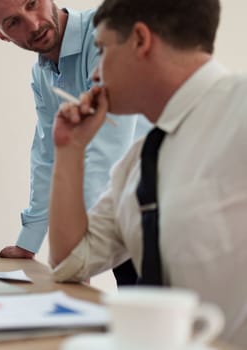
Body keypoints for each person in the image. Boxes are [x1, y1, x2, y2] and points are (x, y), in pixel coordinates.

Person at [48, 0, 246, 345]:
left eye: (102, 49)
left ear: (140, 40)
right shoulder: (139, 164)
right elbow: (69, 263)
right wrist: (70, 150)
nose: (96, 74)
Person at [0, 0, 149, 284]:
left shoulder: (103, 33)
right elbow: (47, 154)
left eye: (32, 4)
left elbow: (106, 150)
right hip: (122, 218)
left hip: (156, 212)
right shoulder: (41, 73)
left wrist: (77, 247)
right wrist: (29, 240)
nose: (33, 24)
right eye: (13, 23)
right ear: (2, 36)